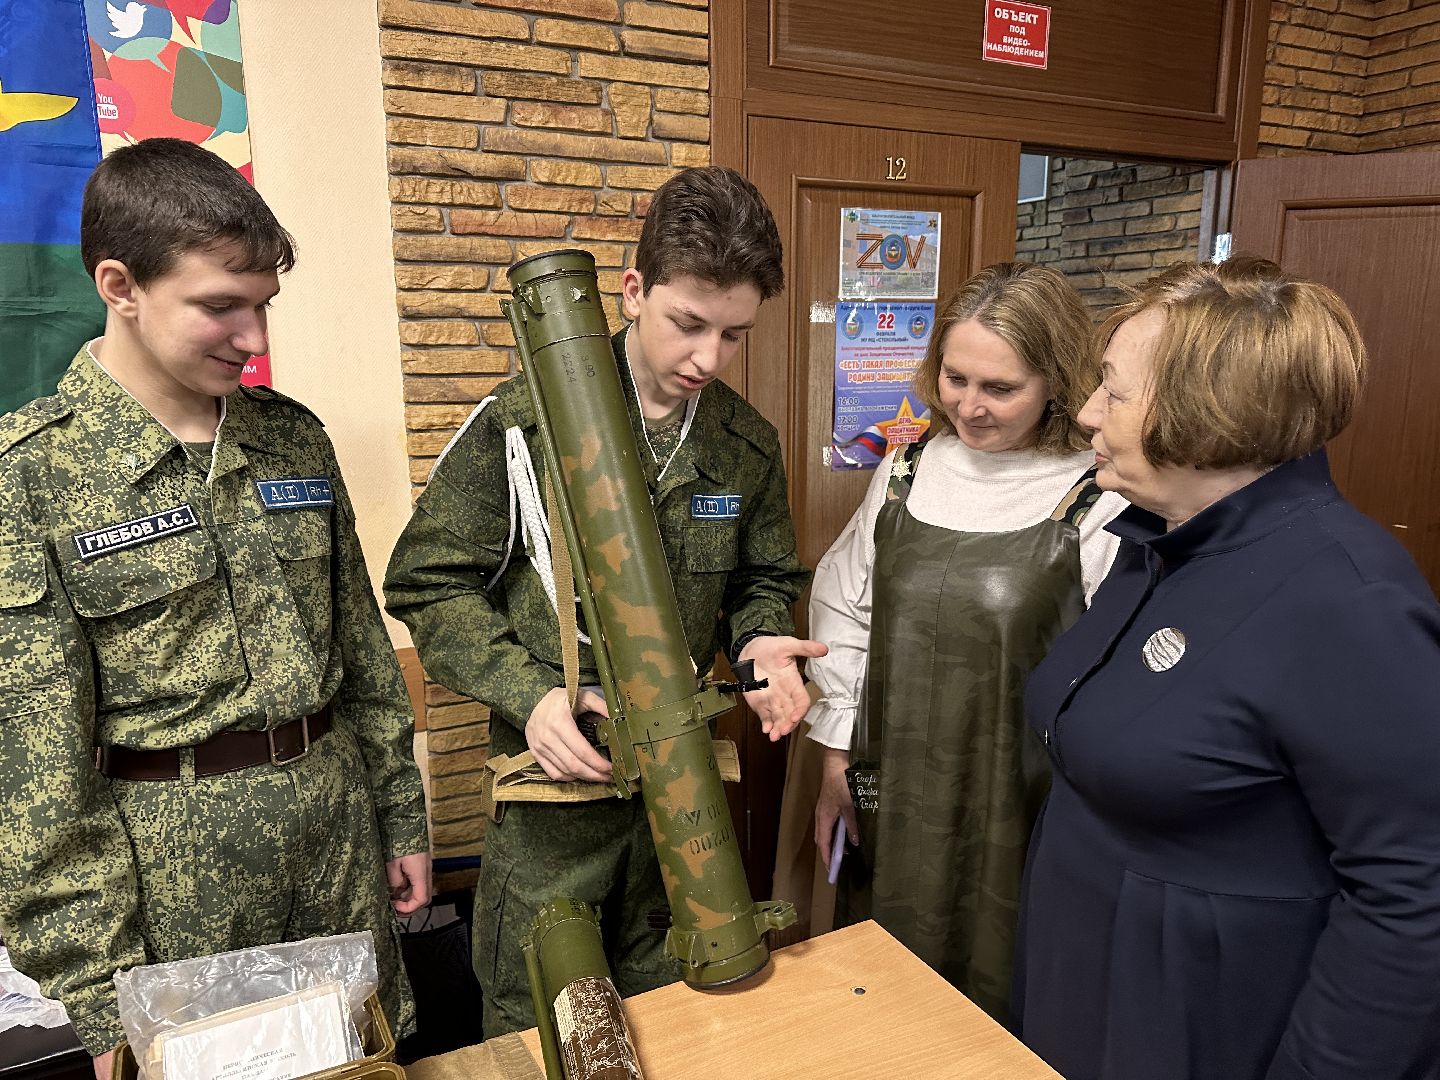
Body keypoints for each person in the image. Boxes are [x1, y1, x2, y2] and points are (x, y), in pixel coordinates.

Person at [0, 138, 431, 1079]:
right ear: (121, 287)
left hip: (337, 850)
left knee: (368, 1060)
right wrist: (99, 987)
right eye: (221, 306)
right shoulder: (31, 477)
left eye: (263, 304)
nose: (254, 339)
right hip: (174, 893)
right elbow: (36, 772)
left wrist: (401, 818)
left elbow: (361, 650)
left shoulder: (292, 440)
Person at [383, 165, 822, 1038]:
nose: (708, 358)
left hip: (679, 818)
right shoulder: (522, 427)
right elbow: (425, 584)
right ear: (632, 291)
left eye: (733, 335)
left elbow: (763, 577)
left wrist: (760, 641)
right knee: (537, 1026)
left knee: (683, 1018)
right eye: (688, 324)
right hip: (554, 811)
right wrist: (530, 695)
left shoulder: (743, 444)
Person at [1013, 258, 1440, 1078]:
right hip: (1086, 976)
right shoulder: (1159, 539)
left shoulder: (1352, 602)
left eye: (1114, 392)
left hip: (1205, 1018)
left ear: (1208, 413)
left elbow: (1414, 896)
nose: (1089, 411)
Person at [803, 262, 1126, 1022]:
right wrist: (837, 758)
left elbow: (1113, 676)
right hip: (891, 782)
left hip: (1018, 798)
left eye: (1000, 388)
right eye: (955, 379)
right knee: (883, 975)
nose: (969, 407)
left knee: (999, 981)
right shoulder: (907, 471)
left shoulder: (1099, 495)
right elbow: (846, 608)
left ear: (1056, 383)